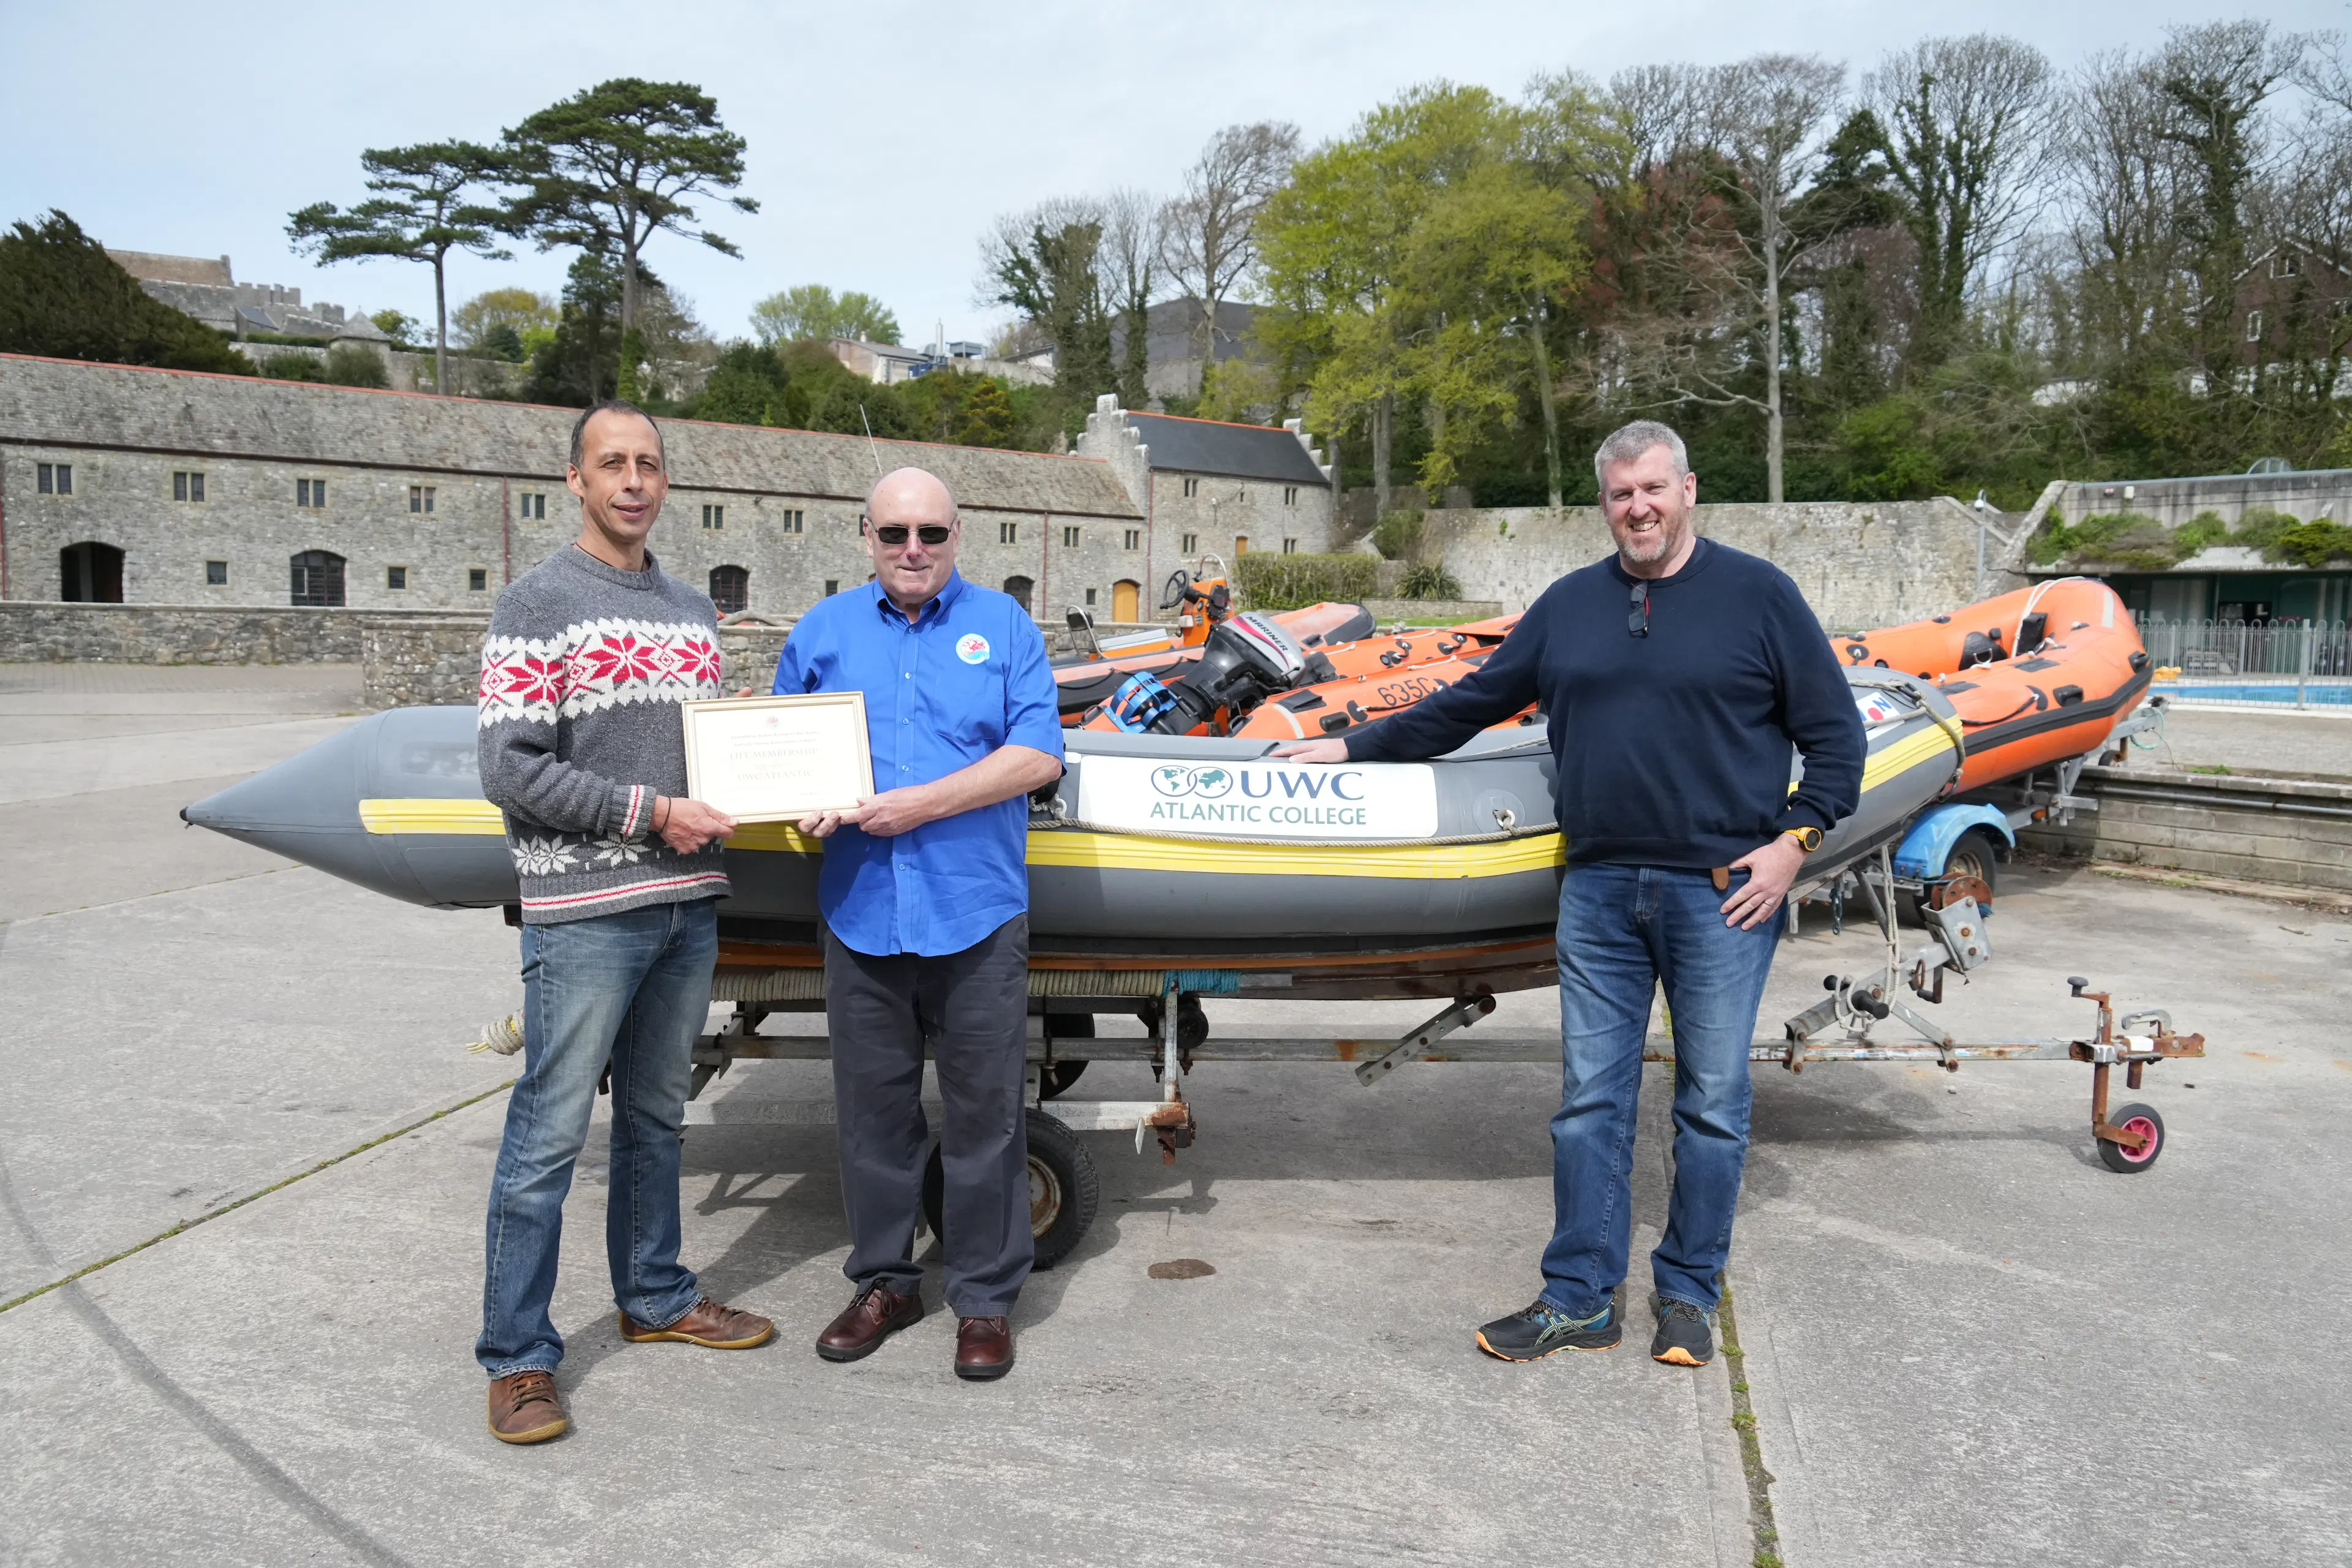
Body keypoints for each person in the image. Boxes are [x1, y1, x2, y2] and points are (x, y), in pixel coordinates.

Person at [1275, 420, 1864, 1369]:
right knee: (1590, 1100)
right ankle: (1580, 1296)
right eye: (1621, 493)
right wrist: (1347, 747)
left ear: (1689, 490)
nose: (1638, 507)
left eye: (1654, 489)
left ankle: (1687, 1294)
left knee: (1711, 1102)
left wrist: (1796, 843)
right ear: (1606, 503)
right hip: (1598, 890)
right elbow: (1466, 704)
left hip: (1722, 896)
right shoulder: (1570, 605)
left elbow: (1837, 739)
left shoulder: (1760, 597)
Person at [473, 400, 774, 1446]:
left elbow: (709, 759)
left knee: (658, 1121)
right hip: (587, 914)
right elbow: (507, 768)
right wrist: (649, 813)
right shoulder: (535, 603)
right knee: (550, 1136)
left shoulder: (694, 613)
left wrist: (791, 776)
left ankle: (654, 1298)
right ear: (577, 480)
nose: (634, 480)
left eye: (649, 463)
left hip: (686, 909)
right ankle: (517, 1359)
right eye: (614, 464)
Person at [775, 466, 1065, 1382]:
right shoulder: (821, 632)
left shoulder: (1006, 626)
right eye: (895, 532)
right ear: (865, 535)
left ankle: (982, 1300)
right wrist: (797, 808)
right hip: (862, 912)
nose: (913, 550)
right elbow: (783, 757)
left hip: (974, 910)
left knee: (986, 1118)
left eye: (931, 534)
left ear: (958, 535)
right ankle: (888, 1282)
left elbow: (1036, 758)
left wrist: (920, 807)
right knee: (872, 1118)